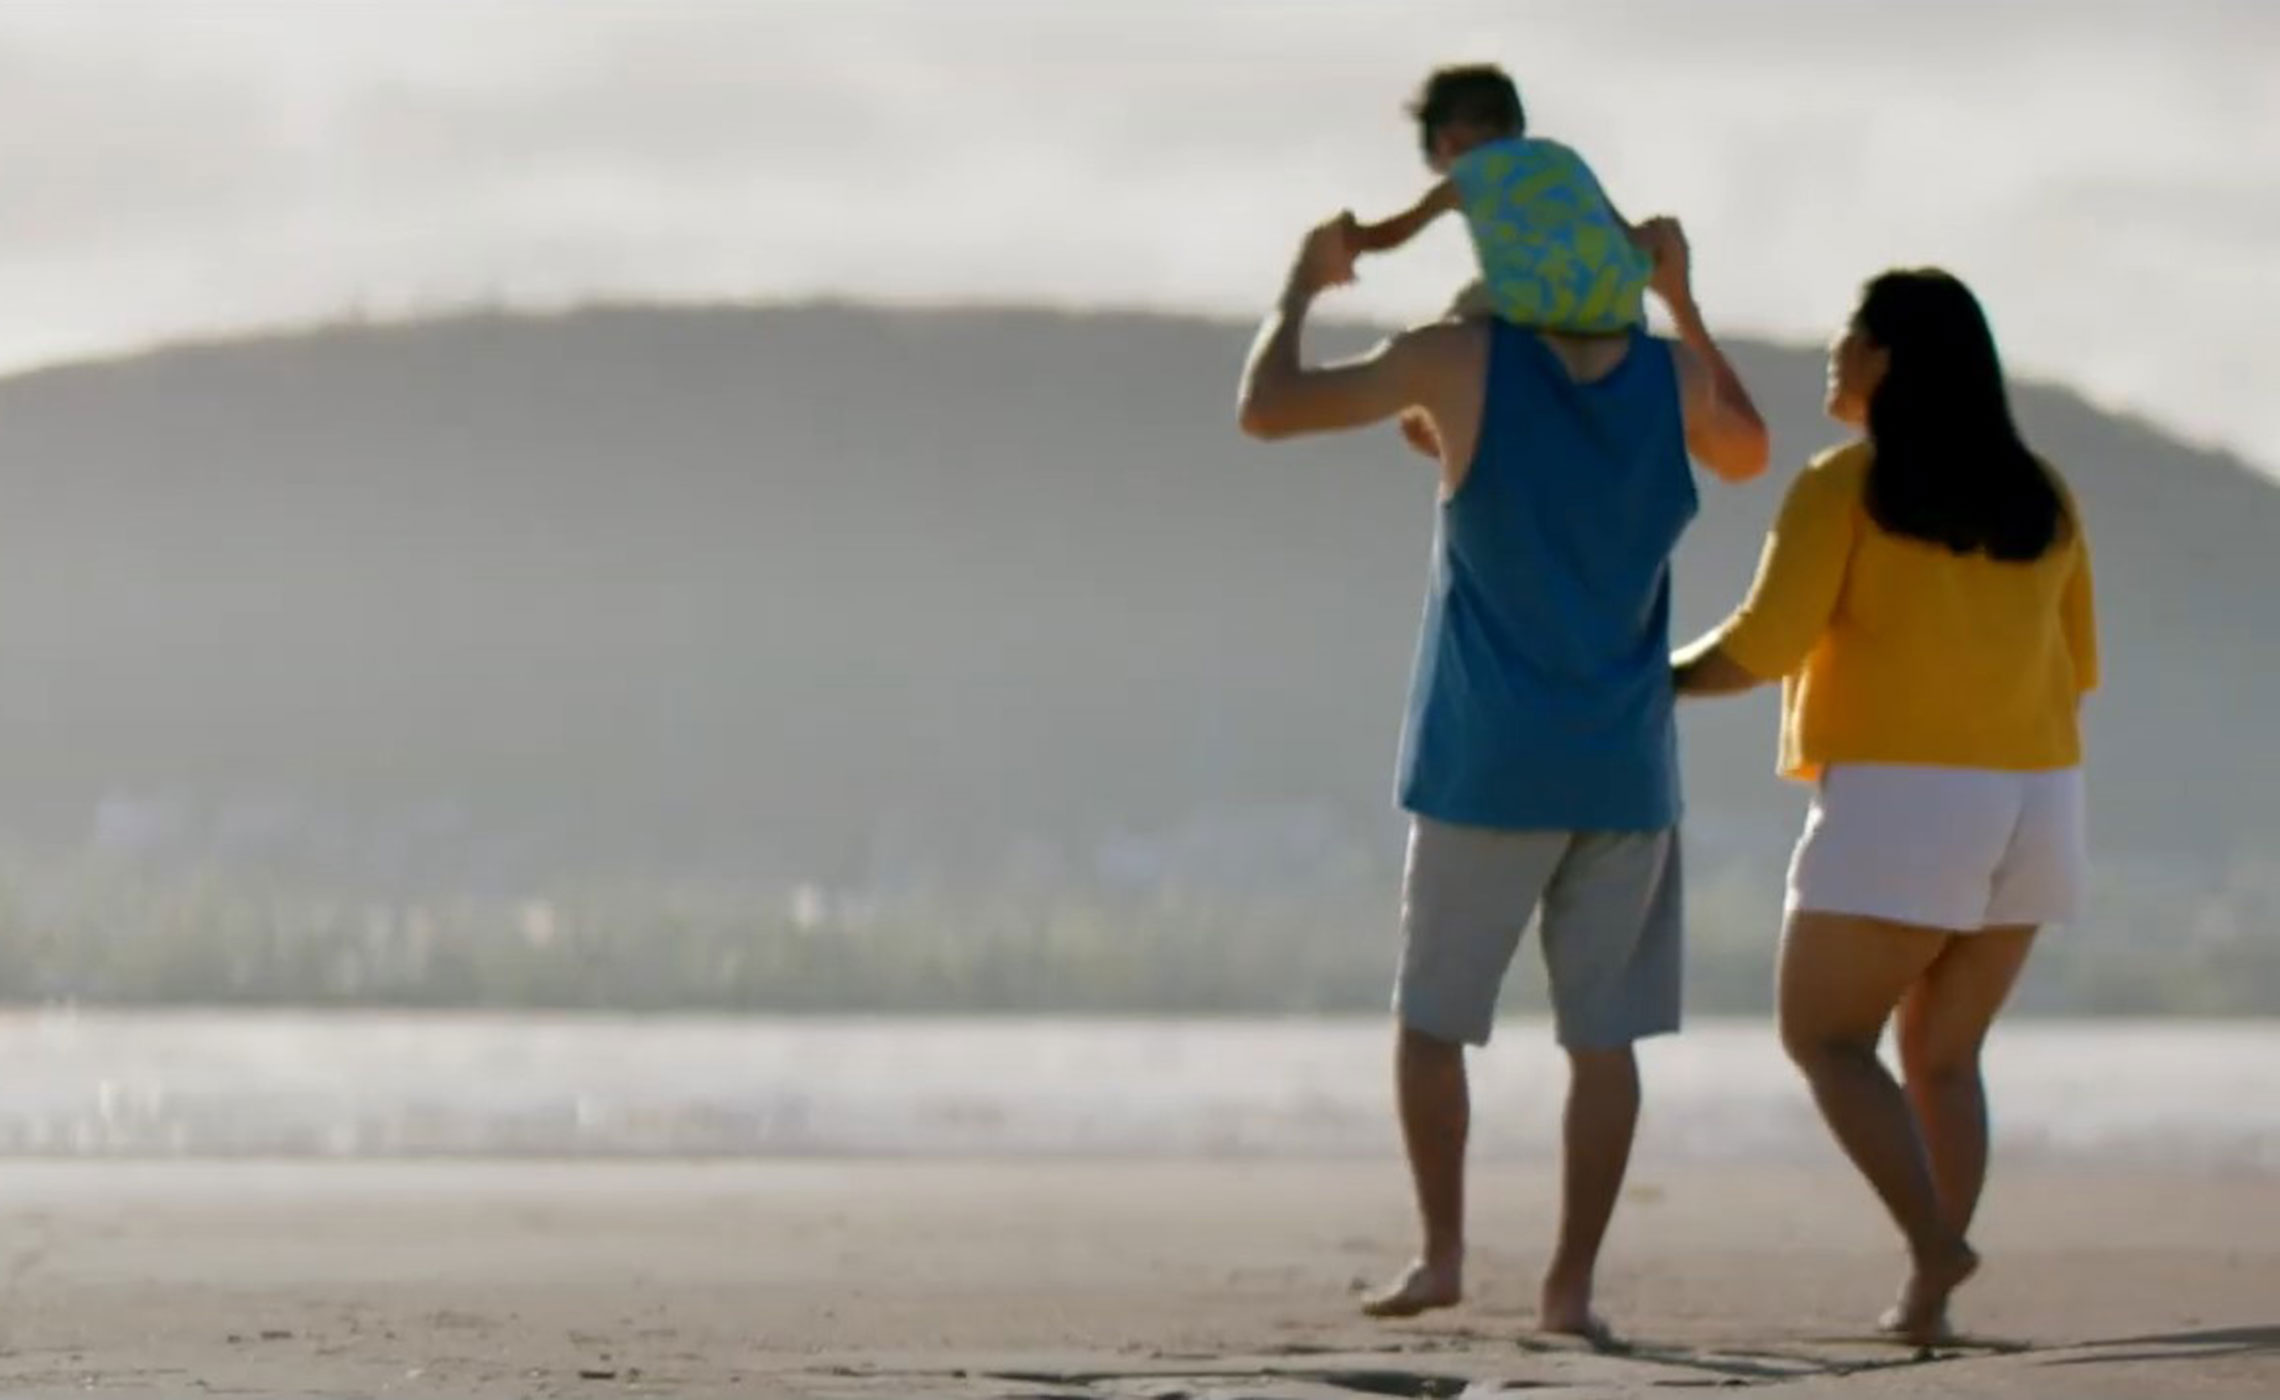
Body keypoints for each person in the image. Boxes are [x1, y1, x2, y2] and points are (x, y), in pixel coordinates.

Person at [1235, 189, 1768, 1338]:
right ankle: (1570, 1285)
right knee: (1604, 1040)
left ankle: (1441, 1252)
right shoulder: (1663, 378)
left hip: (1490, 765)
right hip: (1625, 771)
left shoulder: (1468, 363)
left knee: (1434, 1023)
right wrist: (1682, 300)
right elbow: (1750, 443)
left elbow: (1267, 409)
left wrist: (1300, 281)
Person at [1671, 269, 2099, 1343]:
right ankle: (1926, 1300)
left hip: (1908, 797)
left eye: (1851, 333)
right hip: (2041, 795)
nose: (1834, 348)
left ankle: (1932, 1244)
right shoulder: (2043, 490)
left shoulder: (1845, 485)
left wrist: (1645, 672)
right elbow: (2077, 662)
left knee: (1825, 1036)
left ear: (1890, 358)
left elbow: (1764, 644)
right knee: (1945, 1057)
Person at [1350, 64, 1650, 337]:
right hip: (1619, 306)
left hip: (1536, 301)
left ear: (1445, 140)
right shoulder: (1564, 158)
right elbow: (1629, 235)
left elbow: (1394, 233)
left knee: (1458, 312)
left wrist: (1353, 236)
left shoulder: (1468, 176)